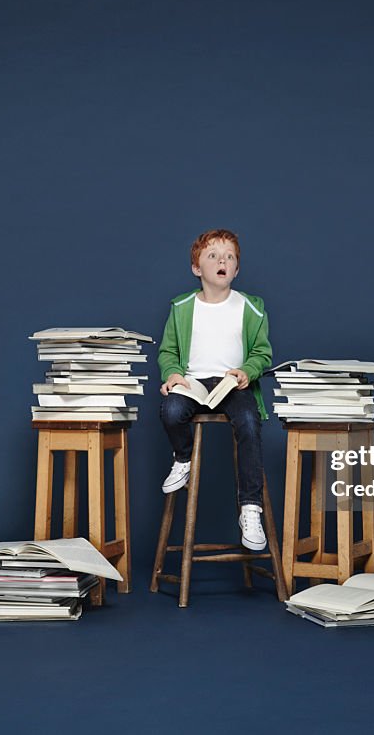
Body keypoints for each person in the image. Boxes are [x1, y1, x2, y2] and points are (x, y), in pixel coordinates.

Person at [157, 229, 272, 550]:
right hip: (193, 382)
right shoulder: (181, 307)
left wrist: (246, 372)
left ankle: (250, 508)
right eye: (213, 256)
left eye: (230, 257)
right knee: (171, 409)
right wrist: (173, 374)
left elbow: (262, 353)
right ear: (197, 269)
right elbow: (167, 352)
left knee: (249, 422)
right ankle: (183, 458)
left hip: (231, 384)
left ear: (236, 269)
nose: (222, 260)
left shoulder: (251, 307)